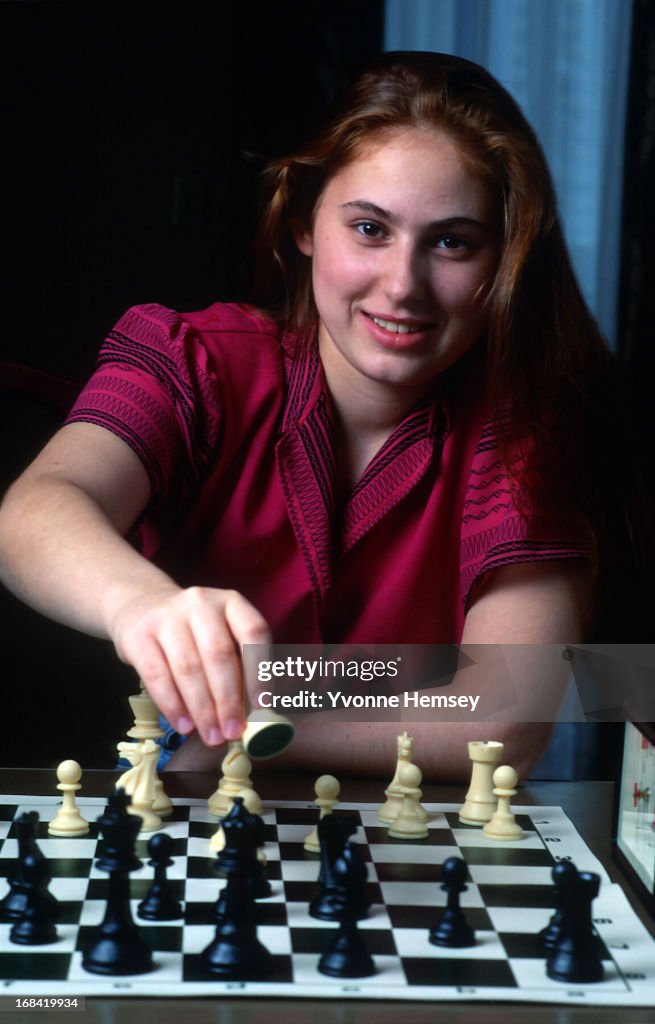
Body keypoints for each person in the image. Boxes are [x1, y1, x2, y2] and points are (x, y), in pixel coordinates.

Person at [0, 52, 622, 781]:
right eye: (368, 229)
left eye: (451, 242)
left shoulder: (530, 424)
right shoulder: (194, 359)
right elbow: (35, 509)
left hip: (404, 857)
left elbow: (503, 716)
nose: (402, 286)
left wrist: (251, 716)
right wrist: (138, 603)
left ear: (502, 261)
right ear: (302, 223)